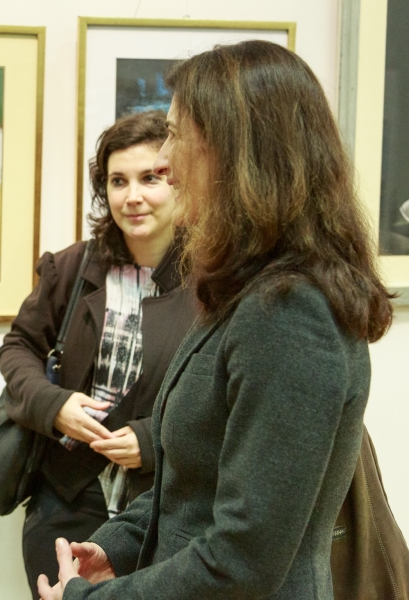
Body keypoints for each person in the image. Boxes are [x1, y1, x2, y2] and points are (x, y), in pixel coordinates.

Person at [37, 40, 395, 600]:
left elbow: (242, 560)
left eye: (177, 136)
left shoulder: (291, 311)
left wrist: (89, 599)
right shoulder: (247, 289)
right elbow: (191, 484)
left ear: (235, 151)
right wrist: (117, 547)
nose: (167, 161)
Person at [0, 111, 197, 596]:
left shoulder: (211, 277)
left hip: (162, 507)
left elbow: (222, 396)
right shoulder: (74, 267)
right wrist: (54, 405)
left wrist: (152, 439)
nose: (132, 196)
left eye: (150, 178)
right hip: (67, 500)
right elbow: (18, 348)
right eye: (117, 181)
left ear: (178, 180)